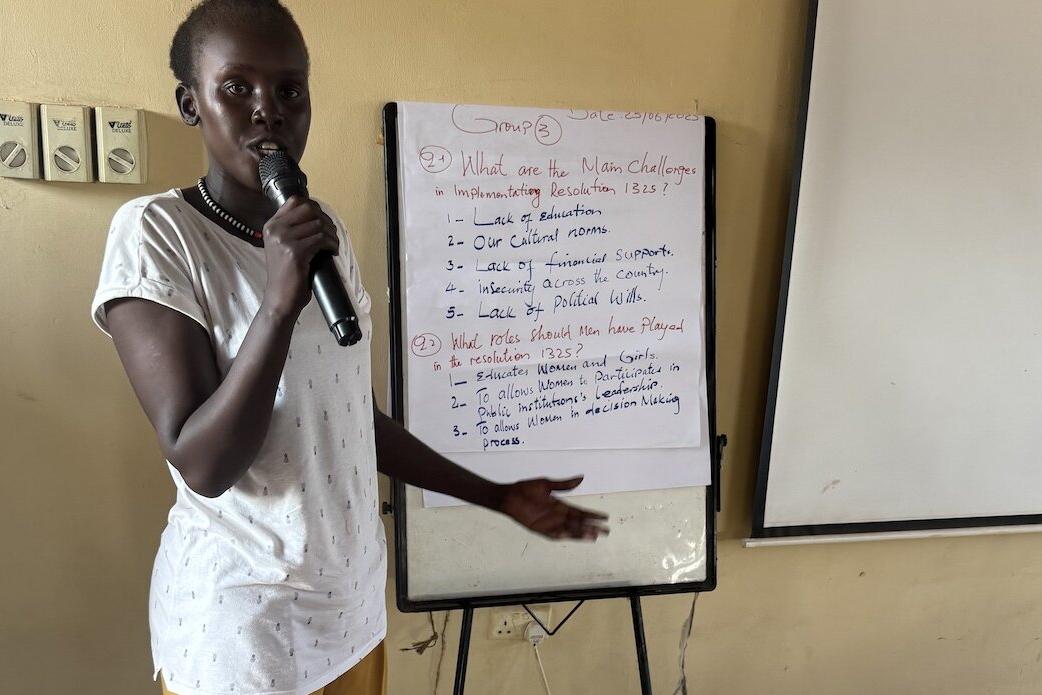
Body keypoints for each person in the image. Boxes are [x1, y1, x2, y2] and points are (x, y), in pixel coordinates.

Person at [89, 1, 609, 694]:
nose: (268, 111)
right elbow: (203, 462)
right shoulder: (157, 233)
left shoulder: (322, 227)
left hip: (349, 612)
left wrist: (496, 496)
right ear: (191, 103)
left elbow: (350, 419)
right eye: (237, 88)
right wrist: (278, 304)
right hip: (242, 633)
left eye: (290, 90)